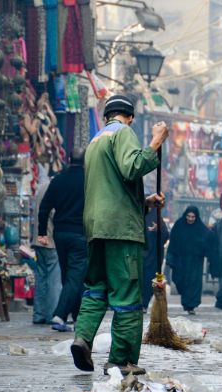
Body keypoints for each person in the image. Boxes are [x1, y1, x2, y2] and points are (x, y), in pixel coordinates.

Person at [71, 94, 168, 376]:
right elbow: (132, 167)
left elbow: (113, 185)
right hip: (121, 230)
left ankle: (82, 338)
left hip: (96, 227)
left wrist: (145, 202)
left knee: (96, 289)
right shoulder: (123, 133)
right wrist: (155, 143)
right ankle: (121, 360)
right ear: (130, 118)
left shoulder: (96, 140)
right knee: (127, 295)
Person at [38, 149, 87, 332]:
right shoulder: (89, 181)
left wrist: (42, 231)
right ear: (85, 162)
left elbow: (45, 207)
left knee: (69, 276)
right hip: (80, 234)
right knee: (75, 277)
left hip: (60, 234)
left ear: (68, 159)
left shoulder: (58, 180)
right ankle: (60, 314)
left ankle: (76, 317)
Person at [166, 206, 213, 315]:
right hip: (181, 260)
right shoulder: (179, 225)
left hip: (195, 261)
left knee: (194, 282)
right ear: (185, 215)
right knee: (180, 281)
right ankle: (187, 302)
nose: (190, 219)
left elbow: (208, 238)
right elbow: (173, 240)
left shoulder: (200, 228)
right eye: (188, 216)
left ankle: (190, 305)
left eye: (193, 217)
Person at [31, 178, 61, 324]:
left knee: (41, 278)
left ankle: (39, 314)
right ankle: (52, 315)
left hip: (38, 240)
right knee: (54, 279)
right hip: (50, 240)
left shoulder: (41, 187)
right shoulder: (54, 188)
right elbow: (55, 214)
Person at [141, 209, 169, 311]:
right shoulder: (137, 215)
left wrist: (158, 229)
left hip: (152, 257)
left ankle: (144, 303)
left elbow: (165, 235)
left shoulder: (157, 217)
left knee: (149, 280)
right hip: (138, 255)